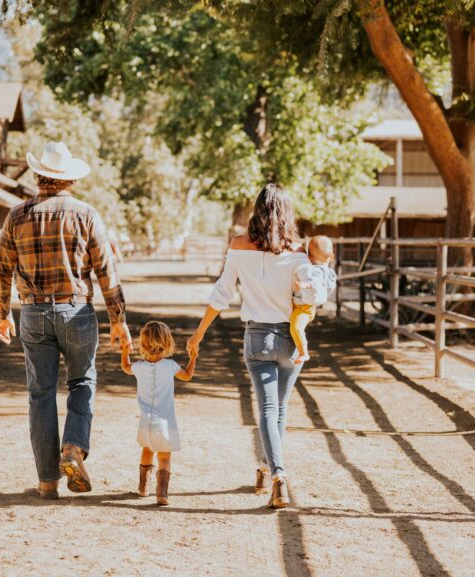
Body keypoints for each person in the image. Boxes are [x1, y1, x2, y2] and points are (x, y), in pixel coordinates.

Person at [0, 141, 133, 500]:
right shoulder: (86, 214)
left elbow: (2, 269)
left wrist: (1, 313)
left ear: (39, 175)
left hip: (34, 312)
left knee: (40, 395)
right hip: (77, 311)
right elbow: (106, 270)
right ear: (69, 180)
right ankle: (72, 449)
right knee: (82, 382)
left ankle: (46, 482)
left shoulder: (16, 215)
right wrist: (119, 319)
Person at [187, 183, 309, 509]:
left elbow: (221, 294)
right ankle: (271, 471)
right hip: (291, 339)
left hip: (257, 337)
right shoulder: (299, 251)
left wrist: (198, 335)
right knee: (279, 410)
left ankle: (277, 474)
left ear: (257, 209)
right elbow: (310, 295)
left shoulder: (239, 245)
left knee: (269, 409)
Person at [120, 321, 197, 506]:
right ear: (167, 342)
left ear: (143, 344)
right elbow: (187, 375)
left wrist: (124, 349)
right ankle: (161, 492)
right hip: (165, 422)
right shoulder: (170, 366)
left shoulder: (139, 367)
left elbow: (125, 367)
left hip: (145, 422)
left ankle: (143, 487)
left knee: (146, 451)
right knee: (164, 457)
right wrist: (193, 357)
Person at [290, 235, 338, 364]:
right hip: (308, 307)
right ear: (332, 257)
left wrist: (306, 285)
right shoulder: (329, 272)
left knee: (296, 328)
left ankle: (304, 353)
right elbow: (328, 287)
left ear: (308, 257)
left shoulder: (314, 271)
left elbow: (315, 281)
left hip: (303, 308)